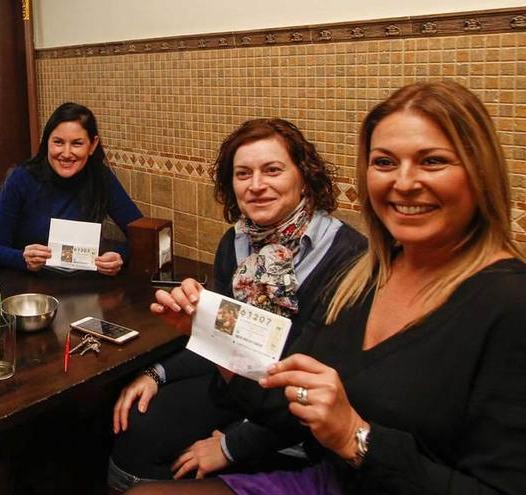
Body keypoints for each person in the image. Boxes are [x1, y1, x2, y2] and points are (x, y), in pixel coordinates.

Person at [127, 81, 526, 494]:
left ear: (479, 171)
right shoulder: (367, 278)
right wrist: (205, 330)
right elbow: (290, 395)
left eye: (433, 161)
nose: (404, 183)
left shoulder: (509, 305)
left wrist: (355, 438)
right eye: (385, 162)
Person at [109, 118, 366, 490]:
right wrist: (156, 373)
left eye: (273, 170)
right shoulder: (236, 242)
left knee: (182, 465)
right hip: (238, 387)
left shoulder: (347, 258)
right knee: (137, 427)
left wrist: (231, 446)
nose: (256, 185)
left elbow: (317, 395)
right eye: (243, 173)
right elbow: (226, 342)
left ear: (304, 176)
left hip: (299, 425)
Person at [0, 102, 142, 276]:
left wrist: (119, 256)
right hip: (31, 290)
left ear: (92, 145)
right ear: (47, 142)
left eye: (77, 144)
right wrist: (23, 258)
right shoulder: (21, 179)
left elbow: (142, 235)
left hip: (86, 288)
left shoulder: (100, 177)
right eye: (58, 142)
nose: (67, 153)